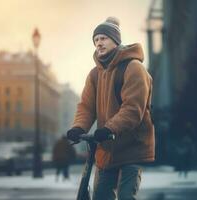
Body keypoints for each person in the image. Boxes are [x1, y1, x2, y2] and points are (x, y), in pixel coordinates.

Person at [67, 17, 155, 200]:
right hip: (107, 149)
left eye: (103, 38)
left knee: (125, 196)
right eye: (96, 40)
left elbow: (133, 108)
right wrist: (78, 127)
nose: (99, 43)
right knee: (101, 196)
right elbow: (86, 106)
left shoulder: (133, 68)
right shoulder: (95, 74)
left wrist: (109, 128)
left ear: (115, 41)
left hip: (132, 146)